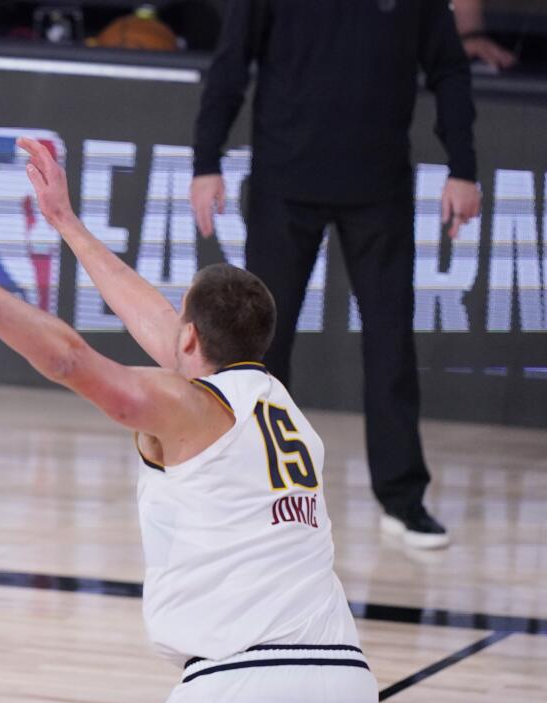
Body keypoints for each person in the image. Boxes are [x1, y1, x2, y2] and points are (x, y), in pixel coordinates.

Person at [0, 138, 378, 703]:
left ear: (191, 338)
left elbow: (71, 360)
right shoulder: (285, 410)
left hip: (243, 692)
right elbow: (160, 322)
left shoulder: (191, 409)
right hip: (346, 690)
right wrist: (68, 224)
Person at [190, 0, 483, 548]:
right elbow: (232, 62)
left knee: (391, 343)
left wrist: (463, 166)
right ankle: (253, 490)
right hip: (284, 183)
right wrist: (206, 159)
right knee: (259, 353)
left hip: (379, 188)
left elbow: (448, 67)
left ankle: (402, 499)